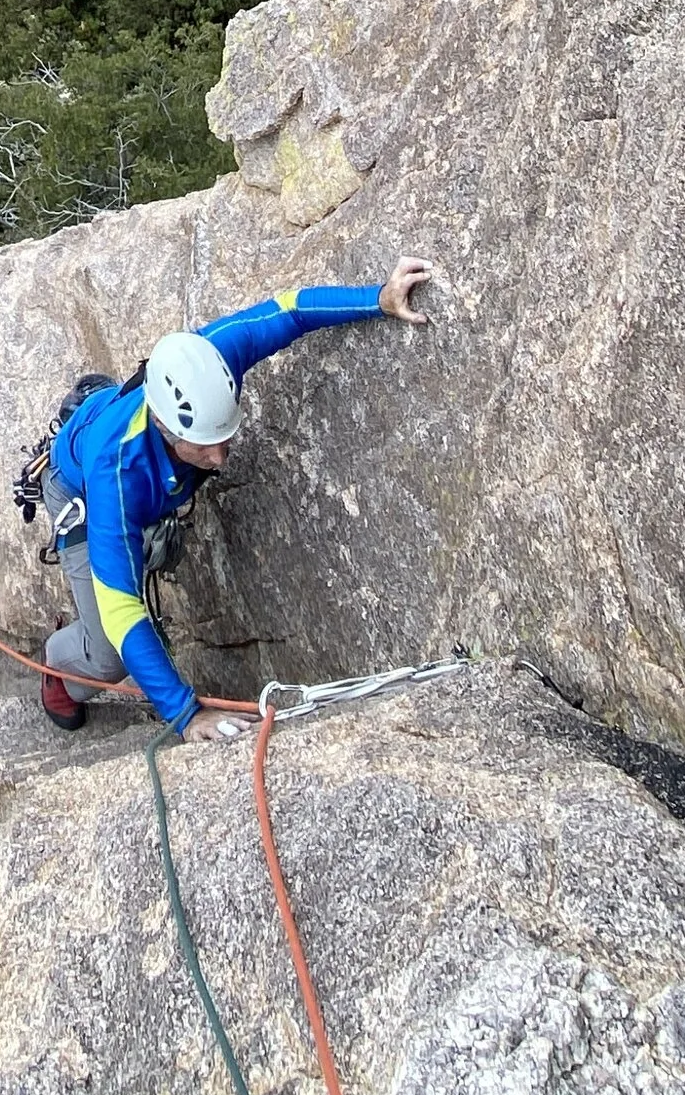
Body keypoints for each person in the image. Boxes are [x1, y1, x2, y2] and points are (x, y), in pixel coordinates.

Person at [38, 262, 436, 740]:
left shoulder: (211, 360)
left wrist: (378, 298)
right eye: (204, 446)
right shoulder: (114, 476)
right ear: (164, 426)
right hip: (77, 487)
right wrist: (185, 715)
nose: (220, 458)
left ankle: (98, 408)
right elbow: (122, 611)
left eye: (223, 438)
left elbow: (289, 311)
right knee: (107, 653)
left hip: (129, 446)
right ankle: (59, 667)